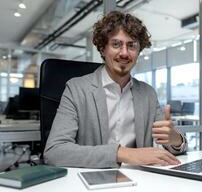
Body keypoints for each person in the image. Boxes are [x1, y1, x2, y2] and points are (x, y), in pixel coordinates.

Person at [44, 11, 187, 168]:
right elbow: (54, 152)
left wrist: (175, 139)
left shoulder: (148, 93)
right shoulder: (76, 89)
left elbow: (173, 146)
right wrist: (123, 153)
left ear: (139, 51)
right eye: (116, 44)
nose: (124, 52)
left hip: (141, 180)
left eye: (131, 45)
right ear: (103, 49)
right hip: (92, 180)